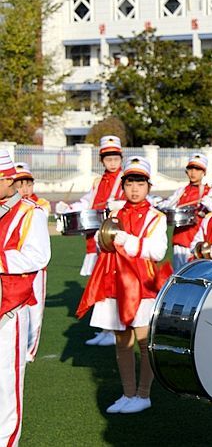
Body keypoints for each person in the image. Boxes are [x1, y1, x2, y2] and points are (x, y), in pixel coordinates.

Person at [76, 157, 168, 414]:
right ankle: (128, 393)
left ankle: (144, 394)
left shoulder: (155, 217)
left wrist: (126, 240)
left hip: (142, 286)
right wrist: (102, 237)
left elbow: (158, 251)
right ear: (123, 185)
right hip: (115, 282)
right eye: (129, 183)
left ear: (148, 186)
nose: (134, 189)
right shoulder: (115, 213)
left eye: (140, 183)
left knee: (142, 340)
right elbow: (101, 242)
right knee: (121, 340)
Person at [0, 151, 50, 447]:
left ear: (8, 180)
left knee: (6, 385)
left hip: (9, 311)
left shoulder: (31, 213)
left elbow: (38, 256)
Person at [56, 135, 125, 346]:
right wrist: (68, 208)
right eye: (107, 158)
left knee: (112, 286)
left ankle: (115, 331)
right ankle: (105, 329)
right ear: (102, 160)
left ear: (121, 158)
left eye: (115, 157)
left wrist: (119, 204)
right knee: (100, 286)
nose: (112, 162)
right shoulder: (99, 182)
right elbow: (88, 202)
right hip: (96, 240)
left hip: (113, 241)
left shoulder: (125, 179)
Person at [12, 163, 50, 362]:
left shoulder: (40, 205)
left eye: (28, 184)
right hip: (13, 267)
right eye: (20, 184)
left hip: (36, 268)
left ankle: (30, 349)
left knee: (35, 309)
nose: (25, 189)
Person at [161, 153, 212, 270]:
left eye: (197, 169)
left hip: (196, 241)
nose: (193, 172)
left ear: (203, 172)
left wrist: (209, 202)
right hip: (179, 239)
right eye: (190, 169)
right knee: (178, 275)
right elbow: (167, 205)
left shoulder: (209, 192)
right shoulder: (181, 191)